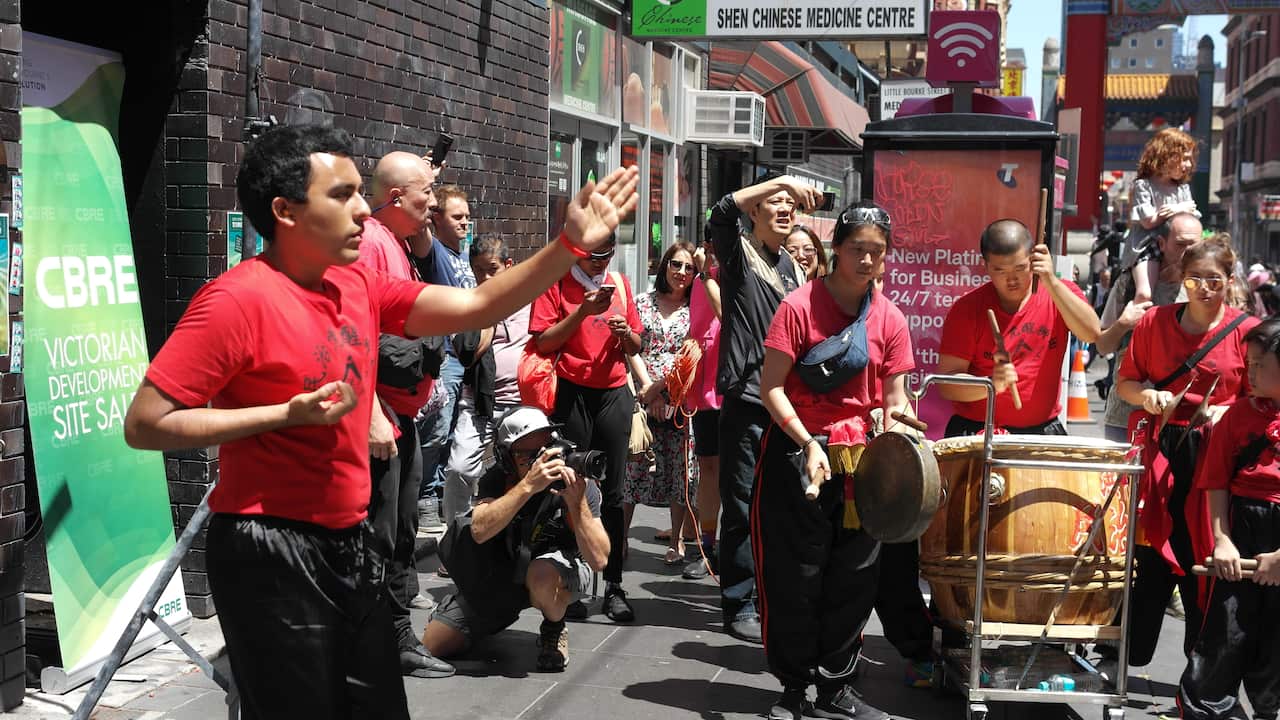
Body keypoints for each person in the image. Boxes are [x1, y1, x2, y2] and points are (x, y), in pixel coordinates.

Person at [123, 124, 638, 718]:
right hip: (268, 548)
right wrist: (281, 415)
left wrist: (568, 246)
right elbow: (147, 423)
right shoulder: (235, 299)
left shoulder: (356, 283)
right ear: (285, 211)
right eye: (342, 194)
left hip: (350, 540)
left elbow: (478, 304)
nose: (364, 209)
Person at [755, 201, 912, 720]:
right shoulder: (798, 306)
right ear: (837, 250)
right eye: (857, 249)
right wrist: (808, 443)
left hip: (860, 461)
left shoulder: (890, 318)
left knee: (855, 578)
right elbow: (771, 388)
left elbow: (895, 399)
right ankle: (792, 687)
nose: (866, 260)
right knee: (795, 576)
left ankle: (835, 688)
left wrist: (898, 426)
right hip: (797, 450)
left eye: (876, 252)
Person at [1115, 235, 1259, 665]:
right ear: (1181, 278)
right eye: (1195, 279)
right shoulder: (1154, 323)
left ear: (1229, 281)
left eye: (1214, 280)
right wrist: (1147, 396)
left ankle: (1200, 667)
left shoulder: (1247, 332)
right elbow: (1126, 383)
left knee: (1205, 557)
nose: (1204, 289)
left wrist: (1228, 411)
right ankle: (1129, 653)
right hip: (1161, 450)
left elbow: (1261, 399)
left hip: (1216, 458)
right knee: (1148, 555)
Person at [708, 172, 819, 643]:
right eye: (774, 201)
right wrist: (784, 180)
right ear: (754, 210)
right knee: (740, 504)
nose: (785, 208)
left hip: (787, 405)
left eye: (790, 202)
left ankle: (771, 595)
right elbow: (719, 214)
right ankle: (739, 602)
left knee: (780, 506)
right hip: (748, 399)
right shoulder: (739, 254)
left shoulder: (792, 267)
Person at [356, 150, 453, 678]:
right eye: (426, 194)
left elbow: (443, 290)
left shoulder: (400, 242)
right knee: (382, 534)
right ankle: (378, 641)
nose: (434, 203)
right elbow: (356, 333)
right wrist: (372, 411)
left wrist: (421, 233)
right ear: (396, 197)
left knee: (402, 530)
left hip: (402, 415)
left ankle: (394, 637)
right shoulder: (372, 242)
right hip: (382, 417)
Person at [420, 406, 610, 672]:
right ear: (507, 458)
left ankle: (554, 627)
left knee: (542, 575)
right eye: (528, 455)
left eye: (545, 448)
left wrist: (577, 505)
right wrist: (528, 487)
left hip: (555, 571)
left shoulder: (575, 478)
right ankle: (482, 615)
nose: (540, 459)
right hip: (504, 572)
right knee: (434, 644)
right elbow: (479, 531)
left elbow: (599, 560)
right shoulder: (498, 479)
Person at [530, 235, 643, 621]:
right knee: (570, 486)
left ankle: (614, 585)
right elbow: (544, 342)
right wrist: (581, 311)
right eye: (592, 257)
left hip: (613, 393)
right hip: (572, 392)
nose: (599, 263)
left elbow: (637, 344)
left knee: (614, 493)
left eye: (606, 255)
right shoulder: (557, 284)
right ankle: (570, 580)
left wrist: (626, 334)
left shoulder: (620, 284)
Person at [1177, 316, 1280, 720]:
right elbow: (1216, 482)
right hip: (1242, 529)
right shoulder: (1236, 416)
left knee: (1274, 644)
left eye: (1260, 365)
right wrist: (1222, 540)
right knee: (1226, 633)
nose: (1249, 373)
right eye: (1248, 364)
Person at [936, 218, 1101, 435]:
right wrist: (990, 384)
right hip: (979, 431)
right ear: (985, 266)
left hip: (1042, 431)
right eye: (1000, 270)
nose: (1012, 279)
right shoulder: (967, 309)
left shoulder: (1059, 294)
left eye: (1020, 268)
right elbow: (947, 384)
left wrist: (1051, 281)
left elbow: (1091, 334)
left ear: (1034, 259)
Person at [439, 233, 530, 523]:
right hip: (480, 402)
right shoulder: (468, 304)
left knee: (525, 472)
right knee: (459, 468)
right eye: (479, 270)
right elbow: (466, 353)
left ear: (508, 265)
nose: (486, 277)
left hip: (523, 403)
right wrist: (489, 312)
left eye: (492, 269)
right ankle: (456, 536)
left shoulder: (530, 301)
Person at [1094, 213, 1202, 443]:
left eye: (1194, 245)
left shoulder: (1205, 292)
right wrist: (1123, 324)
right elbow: (1102, 346)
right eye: (1180, 244)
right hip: (1125, 417)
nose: (1187, 252)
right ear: (1162, 244)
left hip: (1183, 421)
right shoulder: (1130, 284)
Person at [625, 241, 699, 566]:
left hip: (679, 397)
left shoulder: (696, 308)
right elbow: (631, 348)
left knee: (680, 470)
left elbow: (693, 355)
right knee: (633, 466)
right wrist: (648, 390)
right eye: (675, 264)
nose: (681, 272)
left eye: (689, 268)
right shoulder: (642, 302)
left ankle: (677, 538)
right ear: (665, 265)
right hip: (642, 396)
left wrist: (664, 391)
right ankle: (620, 537)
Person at [416, 184, 476, 531]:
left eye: (467, 216)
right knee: (436, 432)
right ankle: (426, 498)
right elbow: (420, 230)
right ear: (437, 218)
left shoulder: (464, 256)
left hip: (469, 359)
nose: (465, 222)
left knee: (455, 433)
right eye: (457, 216)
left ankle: (441, 497)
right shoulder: (435, 251)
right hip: (447, 358)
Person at [682, 241, 724, 581]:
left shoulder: (747, 277)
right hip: (706, 386)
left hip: (739, 384)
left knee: (741, 473)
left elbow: (731, 319)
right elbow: (696, 328)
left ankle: (738, 547)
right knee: (708, 466)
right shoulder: (699, 280)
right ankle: (707, 546)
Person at [1126, 128, 1200, 305]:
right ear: (1166, 155)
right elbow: (1148, 222)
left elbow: (1192, 216)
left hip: (1178, 244)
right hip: (1149, 246)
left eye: (1190, 160)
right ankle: (1137, 319)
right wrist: (1177, 209)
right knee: (1145, 293)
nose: (1188, 165)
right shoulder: (1144, 186)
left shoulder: (1182, 188)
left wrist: (1175, 211)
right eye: (1184, 158)